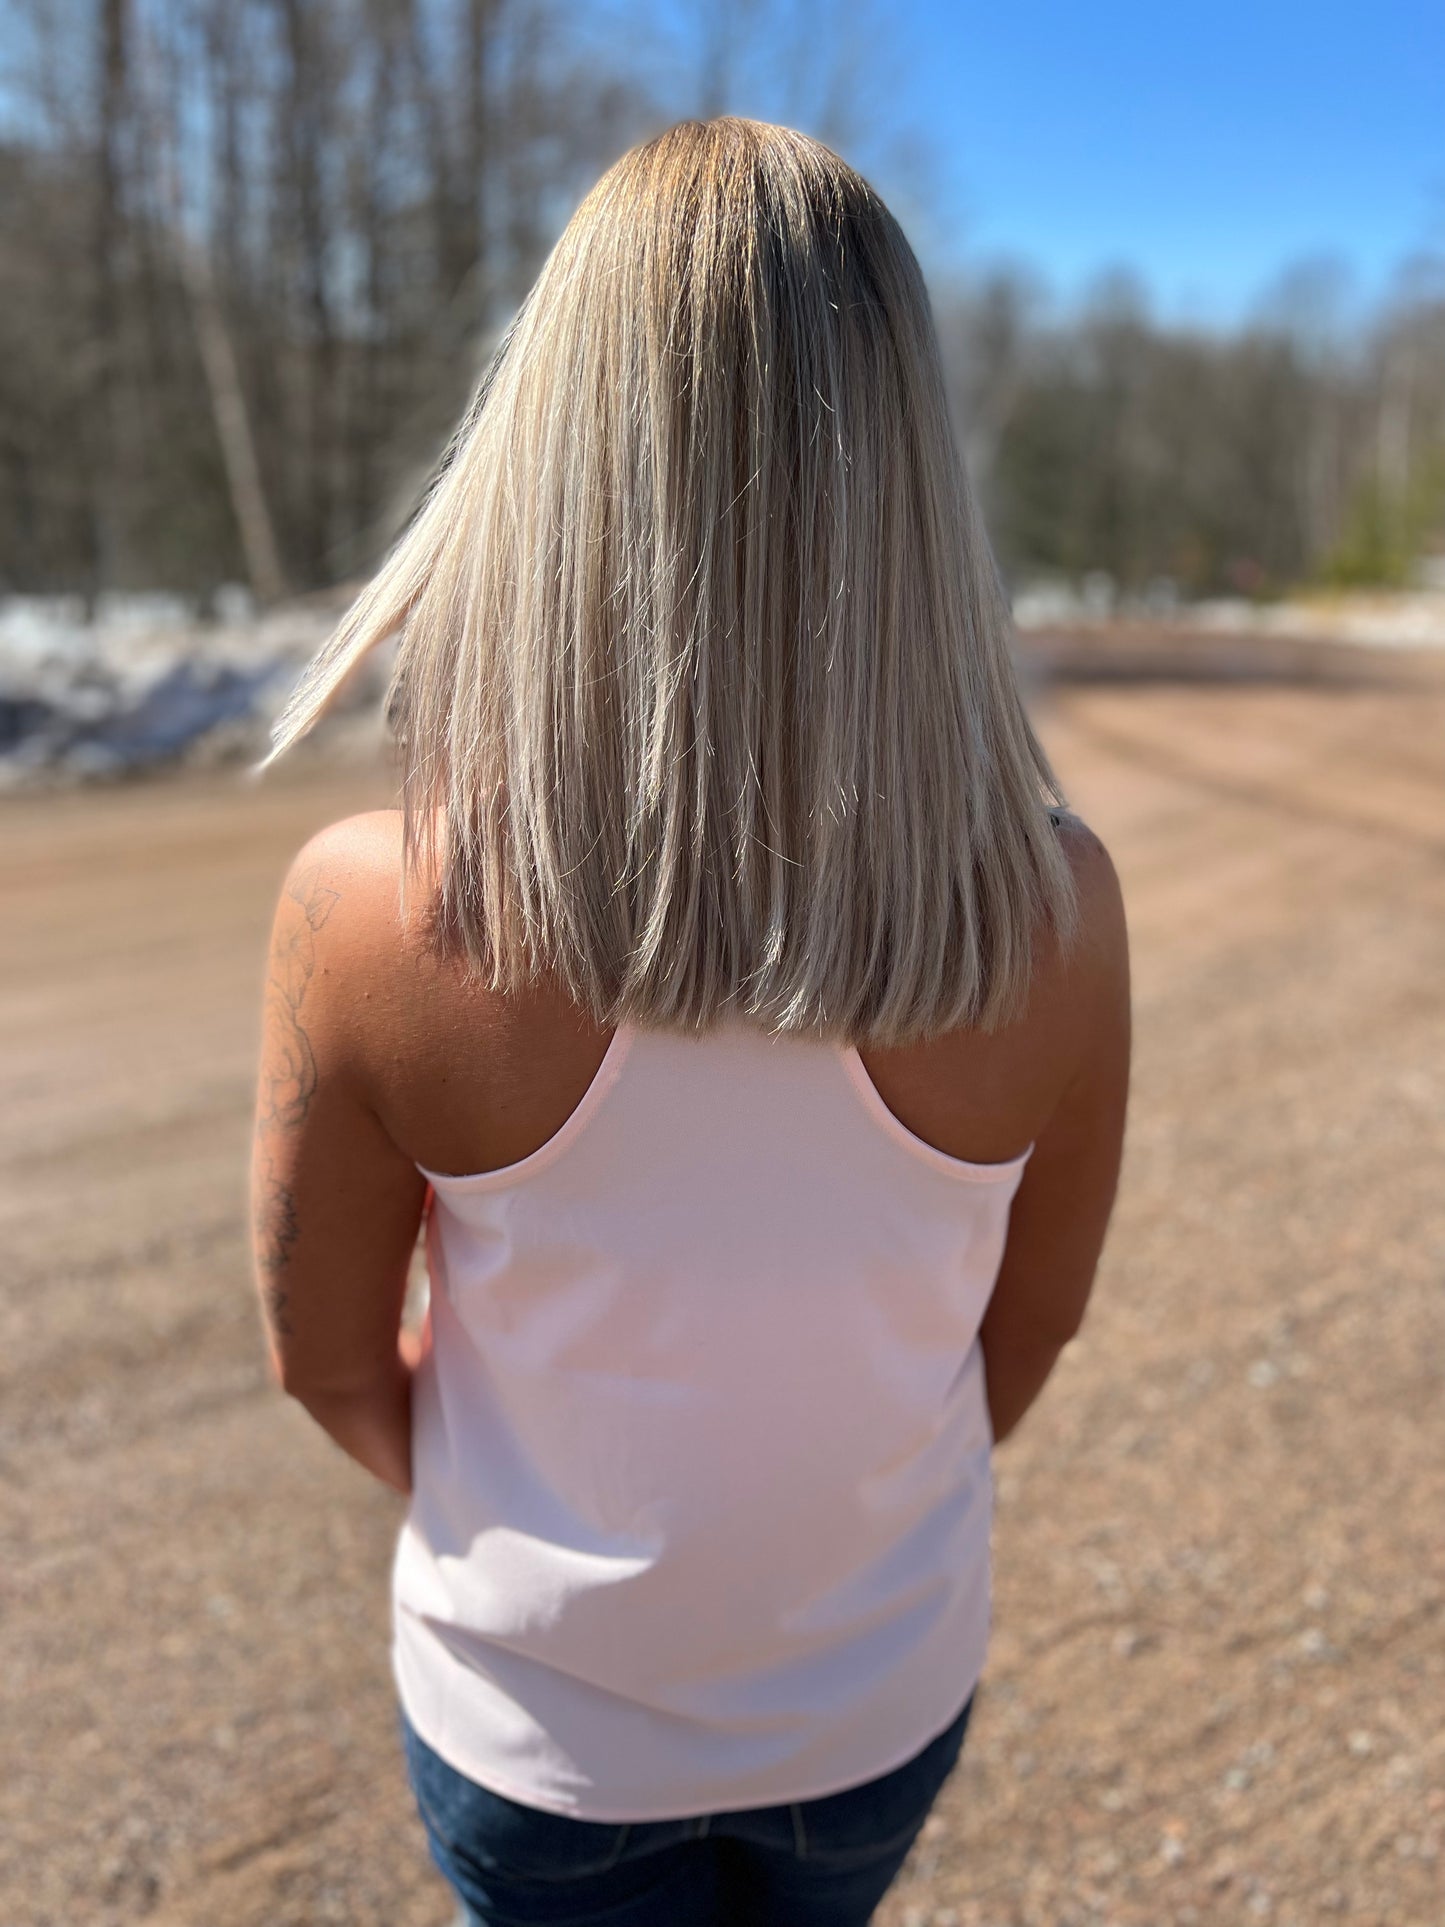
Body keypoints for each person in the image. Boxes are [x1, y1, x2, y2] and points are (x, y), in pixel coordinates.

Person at [248, 117, 1130, 1927]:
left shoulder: (374, 910)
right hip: (870, 1708)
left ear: (550, 447)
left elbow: (327, 1359)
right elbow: (1018, 1341)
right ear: (907, 475)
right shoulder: (1055, 909)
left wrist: (574, 1522)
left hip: (533, 1732)